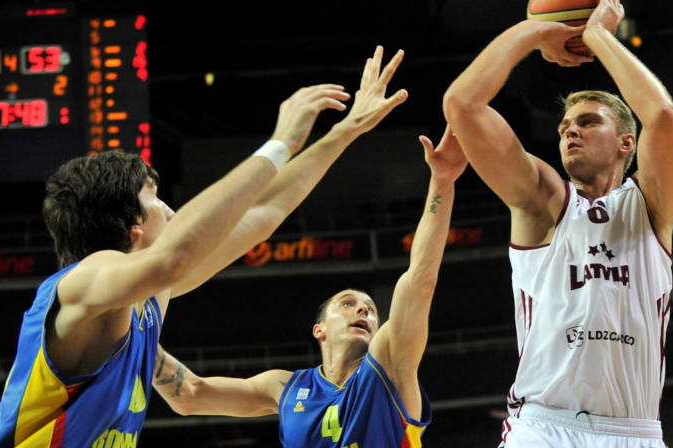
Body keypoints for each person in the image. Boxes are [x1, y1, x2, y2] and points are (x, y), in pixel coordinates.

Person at [0, 45, 408, 448]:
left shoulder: (145, 299)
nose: (171, 212)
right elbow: (174, 256)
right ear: (130, 223)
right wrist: (279, 144)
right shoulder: (83, 283)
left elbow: (263, 212)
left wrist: (346, 130)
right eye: (155, 198)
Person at [443, 0, 673, 446]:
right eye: (564, 126)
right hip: (544, 427)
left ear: (626, 143)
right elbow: (462, 103)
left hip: (635, 432)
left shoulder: (650, 206)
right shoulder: (545, 201)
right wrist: (533, 33)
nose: (569, 131)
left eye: (588, 122)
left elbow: (662, 116)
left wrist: (599, 37)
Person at [152, 125, 467, 447]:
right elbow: (189, 395)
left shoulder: (390, 366)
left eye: (370, 309)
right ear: (319, 330)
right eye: (348, 303)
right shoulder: (285, 387)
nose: (363, 309)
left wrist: (442, 182)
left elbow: (419, 281)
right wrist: (140, 334)